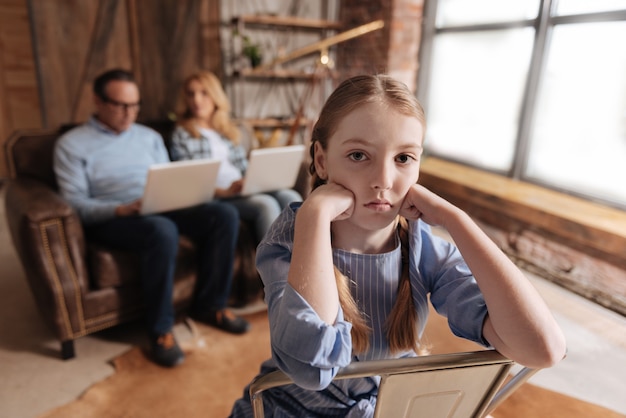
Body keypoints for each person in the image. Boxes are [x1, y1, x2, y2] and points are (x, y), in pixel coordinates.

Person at [229, 74, 567, 417]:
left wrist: (457, 220)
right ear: (321, 160)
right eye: (359, 155)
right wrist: (314, 214)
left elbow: (543, 348)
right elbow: (311, 370)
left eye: (403, 158)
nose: (383, 181)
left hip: (384, 409)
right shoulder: (290, 238)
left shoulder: (422, 247)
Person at [53, 69, 250, 369]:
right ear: (97, 101)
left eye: (134, 105)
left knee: (223, 214)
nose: (129, 113)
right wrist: (119, 209)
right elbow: (75, 204)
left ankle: (212, 306)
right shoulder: (72, 145)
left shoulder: (150, 137)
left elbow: (168, 178)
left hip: (158, 204)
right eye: (120, 105)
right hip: (114, 214)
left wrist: (181, 194)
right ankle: (161, 330)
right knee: (162, 230)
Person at [169, 70, 302, 244]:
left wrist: (251, 180)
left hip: (241, 188)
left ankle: (305, 261)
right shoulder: (182, 133)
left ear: (215, 96)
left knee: (291, 197)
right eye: (191, 94)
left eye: (204, 93)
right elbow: (189, 178)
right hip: (219, 195)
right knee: (265, 205)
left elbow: (243, 167)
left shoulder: (227, 131)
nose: (197, 100)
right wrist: (224, 191)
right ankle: (275, 270)